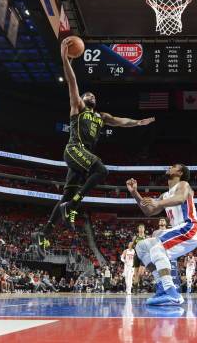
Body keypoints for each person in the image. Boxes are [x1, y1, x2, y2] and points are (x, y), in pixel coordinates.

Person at [36, 38, 155, 247]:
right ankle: (72, 207)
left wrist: (138, 122)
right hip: (74, 149)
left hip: (81, 159)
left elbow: (121, 121)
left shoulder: (102, 116)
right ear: (82, 98)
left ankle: (44, 234)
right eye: (87, 93)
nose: (91, 95)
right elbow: (72, 82)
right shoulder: (78, 107)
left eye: (93, 94)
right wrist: (65, 59)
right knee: (101, 170)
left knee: (66, 195)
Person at [126, 163, 197, 305]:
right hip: (179, 231)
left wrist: (158, 203)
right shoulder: (165, 195)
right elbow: (148, 211)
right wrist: (134, 193)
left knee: (157, 247)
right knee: (141, 247)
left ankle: (173, 293)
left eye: (173, 166)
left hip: (189, 227)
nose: (169, 166)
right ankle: (162, 287)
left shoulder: (183, 185)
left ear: (180, 173)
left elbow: (180, 198)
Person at [132, 223, 147, 293]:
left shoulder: (147, 237)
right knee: (135, 273)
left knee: (140, 273)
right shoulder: (135, 237)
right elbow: (132, 246)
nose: (141, 229)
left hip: (144, 256)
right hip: (136, 256)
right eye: (140, 227)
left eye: (142, 228)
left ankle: (140, 281)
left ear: (144, 229)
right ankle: (135, 289)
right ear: (138, 229)